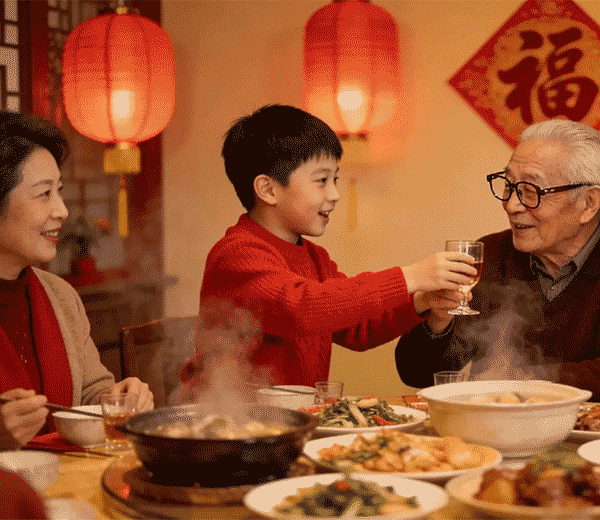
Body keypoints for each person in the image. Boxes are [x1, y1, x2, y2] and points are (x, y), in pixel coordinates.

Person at [197, 104, 476, 387]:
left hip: (294, 412)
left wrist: (422, 302)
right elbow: (303, 308)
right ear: (268, 190)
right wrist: (410, 276)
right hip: (227, 412)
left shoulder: (315, 257)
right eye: (321, 180)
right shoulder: (237, 254)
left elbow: (358, 328)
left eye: (335, 179)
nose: (334, 194)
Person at [395, 118, 600, 399]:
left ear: (588, 203)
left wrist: (521, 380)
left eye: (531, 192)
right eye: (509, 186)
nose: (511, 205)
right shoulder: (492, 255)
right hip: (496, 423)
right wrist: (439, 321)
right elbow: (415, 373)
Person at [0, 111, 154, 451]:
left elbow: (89, 393)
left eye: (59, 191)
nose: (62, 210)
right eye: (44, 194)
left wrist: (118, 399)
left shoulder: (60, 295)